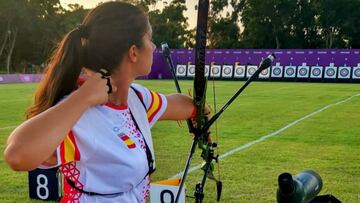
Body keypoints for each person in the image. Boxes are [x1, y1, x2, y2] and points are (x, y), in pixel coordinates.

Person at [3, 2, 199, 202]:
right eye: (150, 39)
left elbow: (178, 104)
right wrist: (84, 97)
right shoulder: (76, 114)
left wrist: (200, 111)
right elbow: (17, 155)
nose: (154, 46)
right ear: (133, 52)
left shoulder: (137, 98)